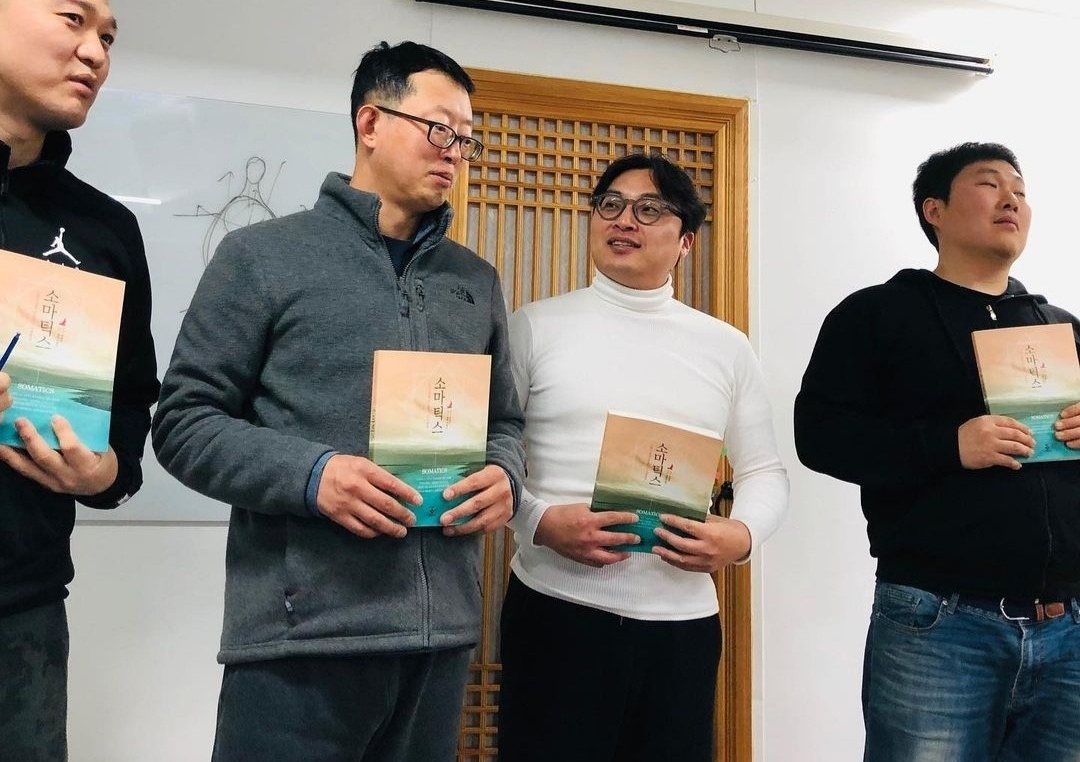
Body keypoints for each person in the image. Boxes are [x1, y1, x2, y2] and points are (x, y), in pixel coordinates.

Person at [152, 40, 525, 762]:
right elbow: (185, 423)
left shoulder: (474, 280)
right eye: (438, 128)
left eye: (466, 138)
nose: (455, 151)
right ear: (370, 122)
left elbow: (504, 421)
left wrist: (505, 473)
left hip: (441, 638)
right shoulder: (261, 256)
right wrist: (313, 475)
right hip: (301, 640)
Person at [795, 142, 1080, 761]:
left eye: (1021, 190)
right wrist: (949, 445)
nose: (1011, 200)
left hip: (1069, 625)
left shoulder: (1059, 327)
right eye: (990, 184)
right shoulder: (876, 313)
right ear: (935, 210)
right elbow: (819, 435)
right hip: (940, 622)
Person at [499, 153, 789, 762]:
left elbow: (764, 471)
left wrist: (741, 536)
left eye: (650, 209)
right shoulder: (535, 327)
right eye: (611, 204)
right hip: (556, 609)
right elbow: (488, 453)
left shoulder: (726, 348)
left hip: (682, 626)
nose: (624, 219)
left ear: (686, 241)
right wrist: (539, 522)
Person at [0, 0, 159, 761]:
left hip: (23, 615)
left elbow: (132, 403)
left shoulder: (102, 229)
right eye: (73, 20)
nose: (95, 51)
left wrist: (106, 475)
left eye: (108, 37)